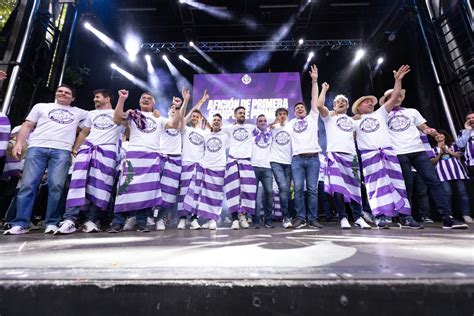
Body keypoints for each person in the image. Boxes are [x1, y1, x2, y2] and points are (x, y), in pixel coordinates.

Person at [4, 84, 87, 235]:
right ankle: (20, 223)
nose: (63, 94)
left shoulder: (80, 112)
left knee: (56, 186)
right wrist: (19, 144)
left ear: (73, 98)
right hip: (37, 148)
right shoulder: (41, 106)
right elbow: (27, 125)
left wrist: (76, 147)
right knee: (28, 185)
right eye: (60, 91)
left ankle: (52, 223)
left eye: (67, 93)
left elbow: (91, 125)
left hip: (62, 150)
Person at [380, 87, 468, 229]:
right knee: (405, 186)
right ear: (386, 100)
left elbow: (424, 127)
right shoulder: (383, 115)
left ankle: (447, 217)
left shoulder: (412, 111)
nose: (396, 98)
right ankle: (405, 218)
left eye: (398, 96)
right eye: (392, 96)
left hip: (418, 151)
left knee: (434, 182)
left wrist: (429, 131)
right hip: (399, 153)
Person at [351, 65, 416, 229]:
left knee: (398, 183)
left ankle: (405, 216)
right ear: (358, 107)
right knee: (375, 187)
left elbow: (394, 97)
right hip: (368, 156)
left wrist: (398, 80)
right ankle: (380, 217)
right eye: (366, 102)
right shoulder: (354, 122)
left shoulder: (380, 113)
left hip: (387, 152)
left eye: (371, 102)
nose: (370, 103)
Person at [54, 89, 126, 235]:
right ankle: (70, 220)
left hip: (107, 152)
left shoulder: (119, 113)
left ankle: (91, 220)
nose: (94, 99)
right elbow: (84, 132)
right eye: (94, 97)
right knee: (77, 185)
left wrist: (121, 99)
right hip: (87, 150)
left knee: (100, 187)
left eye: (98, 97)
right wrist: (75, 149)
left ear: (107, 99)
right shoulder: (90, 114)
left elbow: (118, 121)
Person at [110, 92, 179, 232]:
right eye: (143, 98)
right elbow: (117, 119)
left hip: (152, 157)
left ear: (153, 104)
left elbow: (174, 125)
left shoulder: (159, 119)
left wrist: (177, 107)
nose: (146, 100)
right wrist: (122, 99)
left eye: (149, 99)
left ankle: (142, 222)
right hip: (133, 155)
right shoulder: (133, 115)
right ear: (139, 102)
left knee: (146, 191)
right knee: (124, 189)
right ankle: (117, 222)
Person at [317, 83, 371, 229]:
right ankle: (343, 217)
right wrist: (324, 89)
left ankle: (358, 217)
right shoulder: (329, 118)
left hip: (351, 156)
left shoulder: (353, 121)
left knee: (356, 188)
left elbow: (356, 136)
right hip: (335, 155)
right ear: (333, 106)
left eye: (343, 102)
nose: (341, 103)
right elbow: (319, 105)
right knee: (338, 189)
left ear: (347, 106)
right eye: (337, 102)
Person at [289, 64, 323, 229]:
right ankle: (300, 217)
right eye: (297, 108)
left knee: (312, 190)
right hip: (297, 160)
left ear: (306, 109)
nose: (300, 109)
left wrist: (314, 81)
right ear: (294, 113)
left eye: (302, 107)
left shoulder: (312, 118)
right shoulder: (290, 124)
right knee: (299, 189)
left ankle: (313, 218)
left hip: (313, 159)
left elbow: (314, 99)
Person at [183, 113, 229, 230]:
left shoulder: (225, 136)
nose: (216, 121)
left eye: (219, 120)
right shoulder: (205, 135)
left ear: (221, 123)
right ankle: (196, 220)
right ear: (211, 122)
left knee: (216, 196)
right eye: (214, 120)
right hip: (205, 168)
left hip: (219, 169)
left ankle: (212, 219)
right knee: (200, 195)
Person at [155, 90, 189, 231]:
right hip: (160, 158)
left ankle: (160, 219)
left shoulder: (181, 125)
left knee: (168, 193)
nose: (174, 110)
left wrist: (185, 101)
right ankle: (141, 217)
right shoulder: (161, 121)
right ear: (168, 111)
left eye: (176, 109)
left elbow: (181, 119)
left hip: (175, 160)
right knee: (152, 189)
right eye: (172, 108)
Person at [177, 90, 209, 230]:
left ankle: (194, 219)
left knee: (197, 193)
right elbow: (184, 118)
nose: (195, 117)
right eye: (193, 116)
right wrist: (199, 102)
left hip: (200, 165)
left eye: (197, 116)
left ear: (201, 119)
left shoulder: (205, 133)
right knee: (184, 192)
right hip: (186, 164)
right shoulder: (186, 129)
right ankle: (182, 218)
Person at [222, 106, 257, 230]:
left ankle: (243, 216)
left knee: (247, 191)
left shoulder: (251, 128)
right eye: (240, 113)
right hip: (232, 161)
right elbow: (214, 128)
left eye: (244, 113)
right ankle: (234, 219)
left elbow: (263, 130)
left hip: (246, 162)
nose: (242, 114)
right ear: (234, 115)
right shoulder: (229, 128)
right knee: (233, 192)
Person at [431, 130, 472, 223]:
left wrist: (448, 150)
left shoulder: (454, 145)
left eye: (441, 134)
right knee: (447, 193)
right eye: (436, 135)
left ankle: (466, 214)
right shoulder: (433, 149)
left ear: (445, 136)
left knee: (462, 193)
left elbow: (458, 156)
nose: (439, 136)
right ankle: (448, 215)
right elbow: (432, 162)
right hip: (442, 174)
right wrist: (440, 153)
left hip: (457, 172)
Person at [269, 108, 293, 228]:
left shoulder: (291, 126)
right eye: (280, 114)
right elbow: (263, 131)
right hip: (276, 161)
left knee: (287, 190)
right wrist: (274, 122)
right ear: (276, 115)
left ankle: (288, 215)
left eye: (284, 114)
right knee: (283, 187)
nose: (282, 116)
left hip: (289, 162)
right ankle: (286, 217)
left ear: (287, 116)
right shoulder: (273, 128)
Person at [251, 114, 274, 228]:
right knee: (254, 195)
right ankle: (255, 220)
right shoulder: (251, 134)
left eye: (264, 121)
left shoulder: (271, 134)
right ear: (256, 123)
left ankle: (268, 220)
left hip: (267, 168)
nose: (263, 122)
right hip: (253, 167)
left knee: (269, 193)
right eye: (260, 121)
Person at [456, 111, 474, 176]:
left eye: (473, 117)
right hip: (471, 164)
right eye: (468, 119)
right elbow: (460, 145)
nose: (471, 120)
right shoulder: (462, 132)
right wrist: (468, 131)